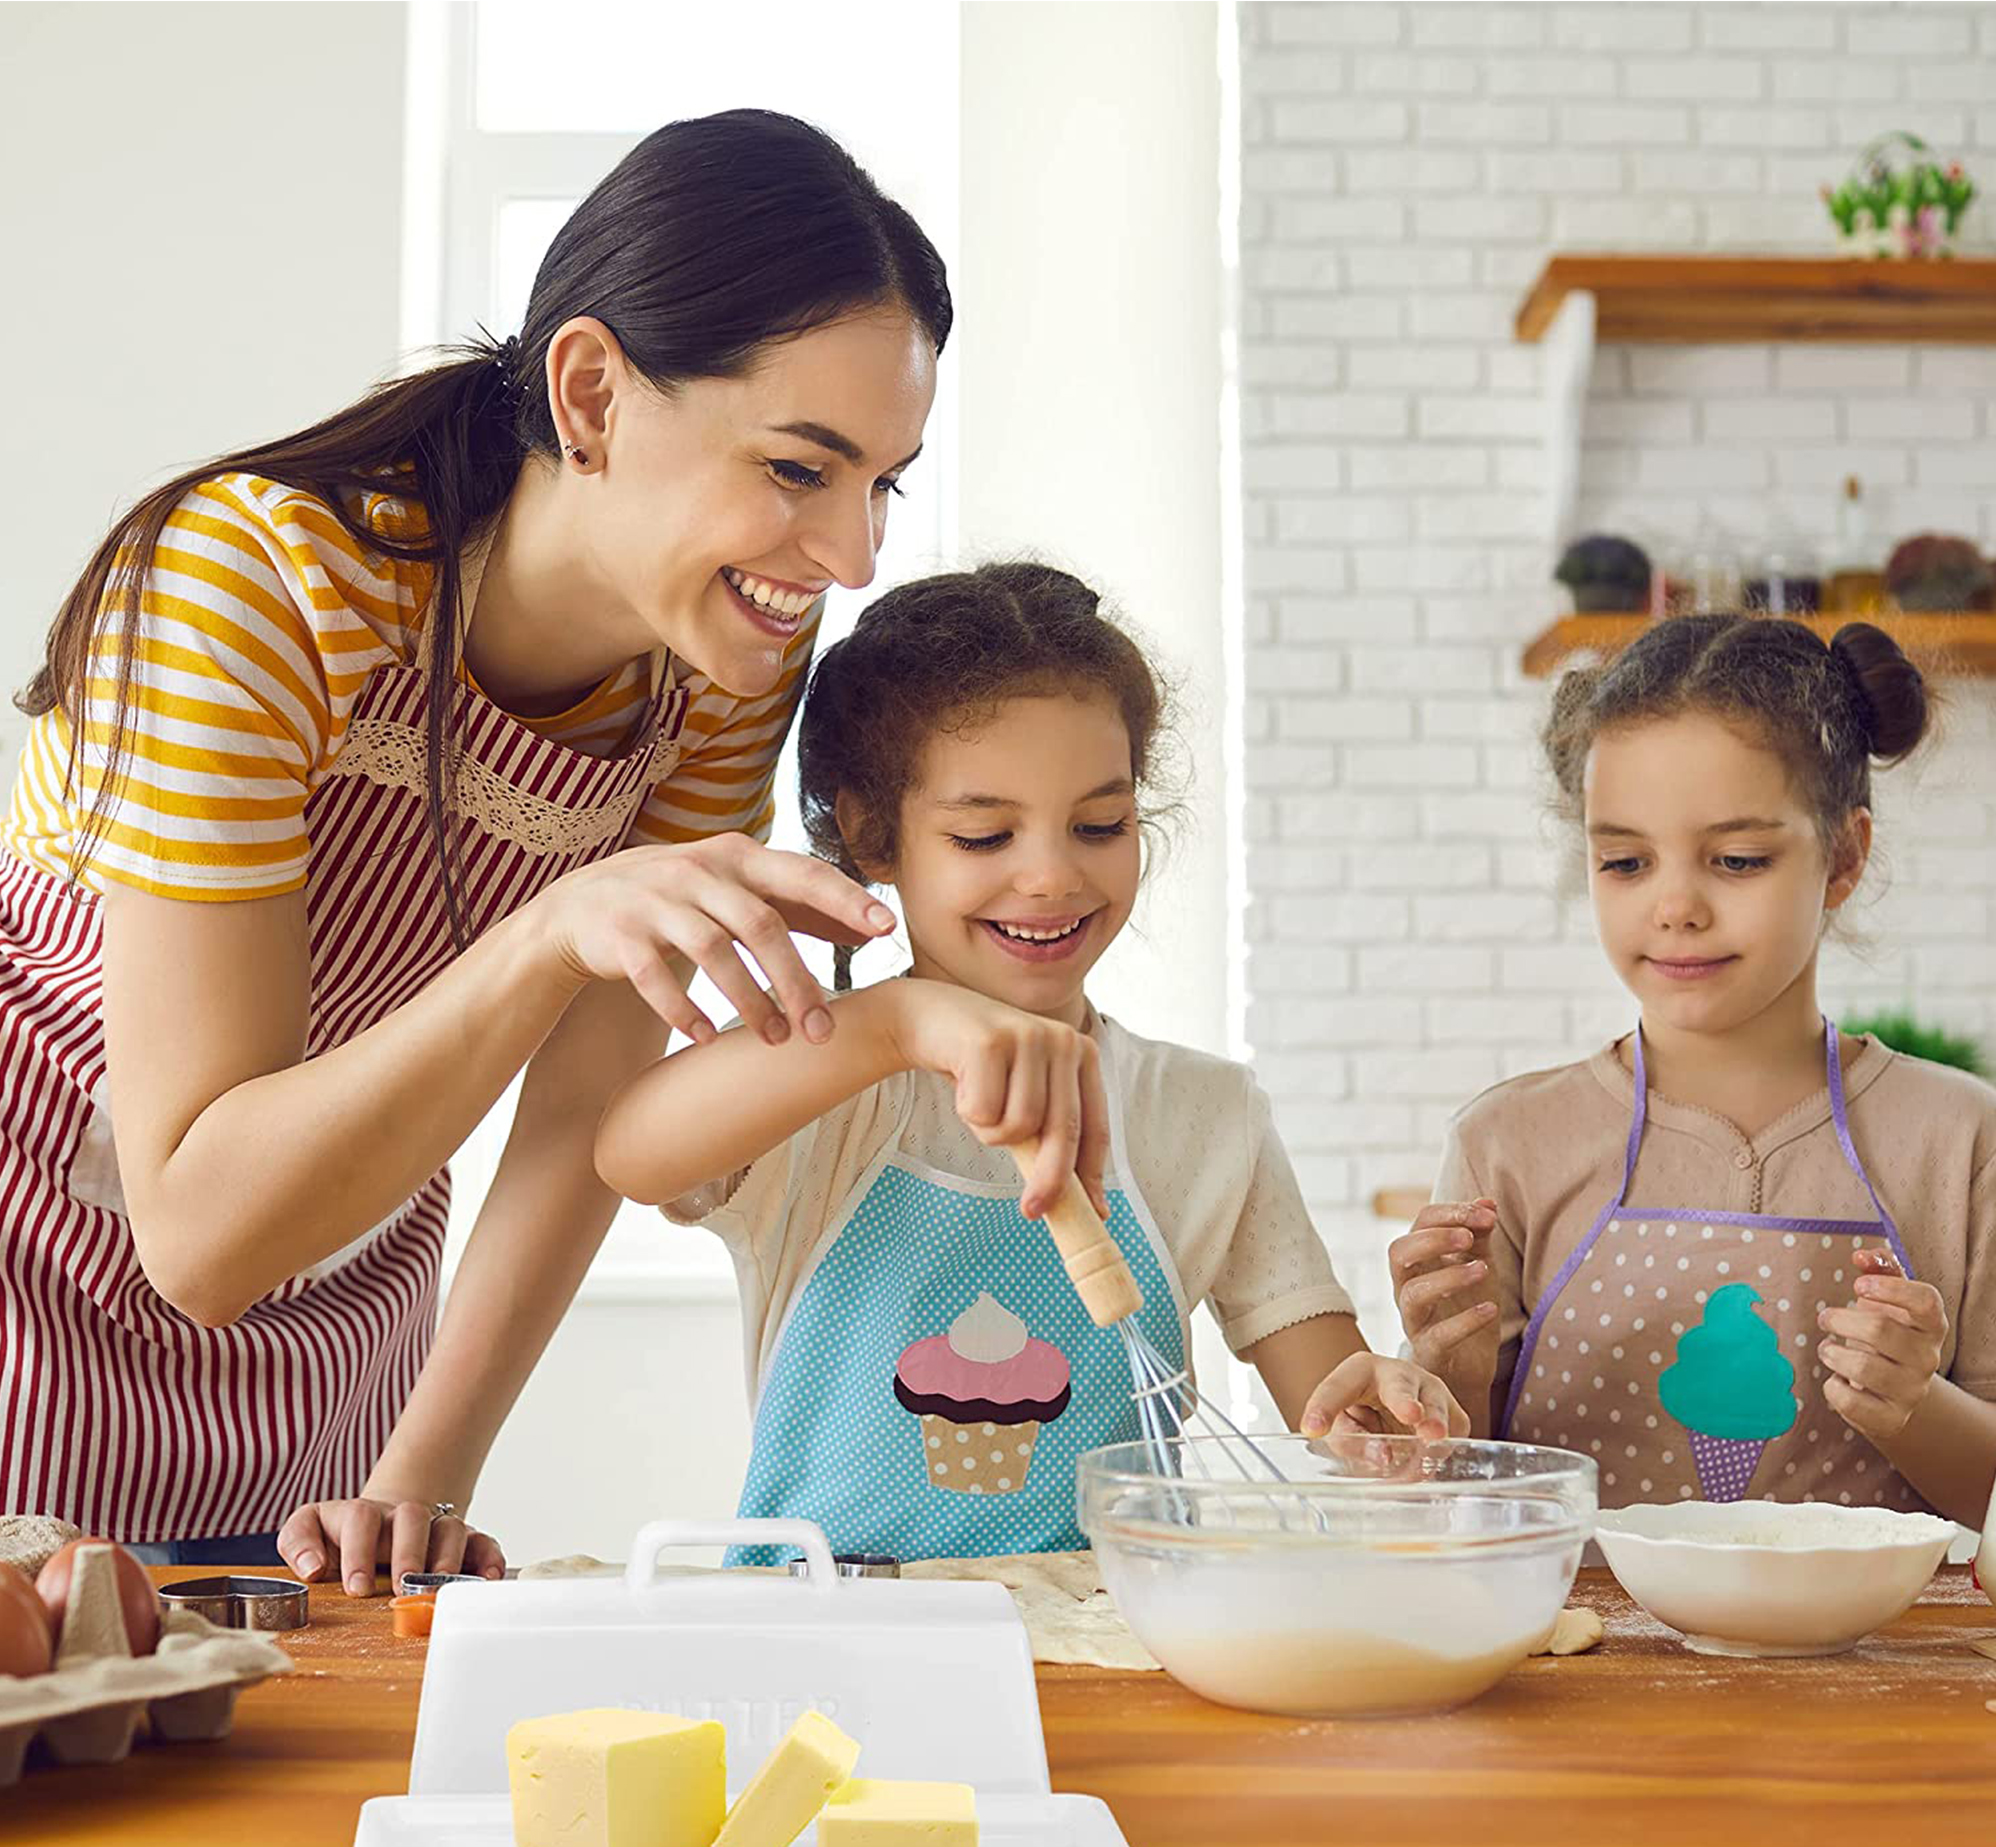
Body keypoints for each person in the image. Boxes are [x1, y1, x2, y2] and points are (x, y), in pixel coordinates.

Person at [0, 110, 966, 1590]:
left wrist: (424, 1470)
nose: (850, 559)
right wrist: (552, 926)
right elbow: (195, 1224)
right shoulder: (256, 582)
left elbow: (586, 1107)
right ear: (592, 394)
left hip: (332, 1303)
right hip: (38, 1258)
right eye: (795, 470)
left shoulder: (722, 661)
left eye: (881, 484)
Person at [595, 562, 1465, 1563]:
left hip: (1104, 1643)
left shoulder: (1201, 1111)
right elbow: (631, 1153)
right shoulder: (822, 1079)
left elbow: (1332, 1398)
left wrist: (1383, 1408)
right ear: (875, 834)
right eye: (983, 831)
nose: (1051, 873)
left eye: (1099, 824)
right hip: (827, 1630)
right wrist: (894, 1025)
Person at [1387, 616, 1996, 1524]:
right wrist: (1446, 1386)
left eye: (1738, 860)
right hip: (1586, 1660)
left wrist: (1914, 1406)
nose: (1675, 906)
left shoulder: (1961, 1139)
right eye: (1625, 861)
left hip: (1882, 1664)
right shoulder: (1506, 1144)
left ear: (1843, 859)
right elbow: (1462, 1511)